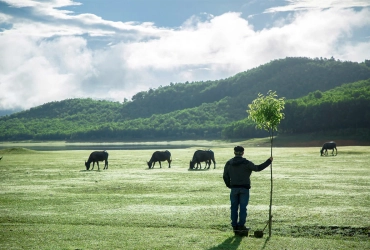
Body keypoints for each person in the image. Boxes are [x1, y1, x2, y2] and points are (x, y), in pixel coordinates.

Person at [223, 146, 273, 236]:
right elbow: (258, 168)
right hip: (244, 189)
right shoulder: (246, 163)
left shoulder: (229, 163)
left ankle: (234, 226)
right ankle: (241, 225)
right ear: (243, 153)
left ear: (234, 152)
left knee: (233, 207)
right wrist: (269, 161)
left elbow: (225, 176)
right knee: (243, 208)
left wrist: (229, 185)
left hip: (234, 188)